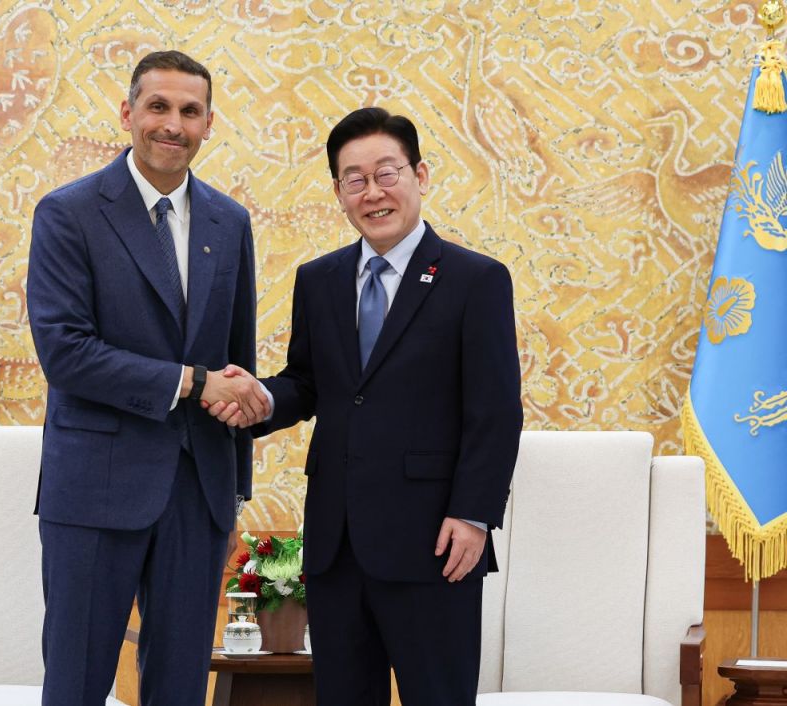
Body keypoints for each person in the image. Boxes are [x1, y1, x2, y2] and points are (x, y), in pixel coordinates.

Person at [208, 107, 523, 704]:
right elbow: (309, 382)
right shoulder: (318, 280)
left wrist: (474, 515)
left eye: (386, 173)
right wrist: (260, 398)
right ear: (339, 192)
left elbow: (496, 411)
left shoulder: (474, 280)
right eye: (354, 179)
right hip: (337, 543)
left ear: (419, 175)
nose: (372, 192)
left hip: (436, 542)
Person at [26, 50, 269, 706]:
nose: (173, 124)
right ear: (127, 112)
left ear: (209, 124)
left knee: (181, 688)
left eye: (190, 111)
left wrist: (233, 496)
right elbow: (65, 353)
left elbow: (235, 360)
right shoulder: (68, 213)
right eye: (158, 106)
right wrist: (192, 382)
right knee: (76, 683)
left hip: (199, 493)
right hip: (94, 489)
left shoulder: (230, 222)